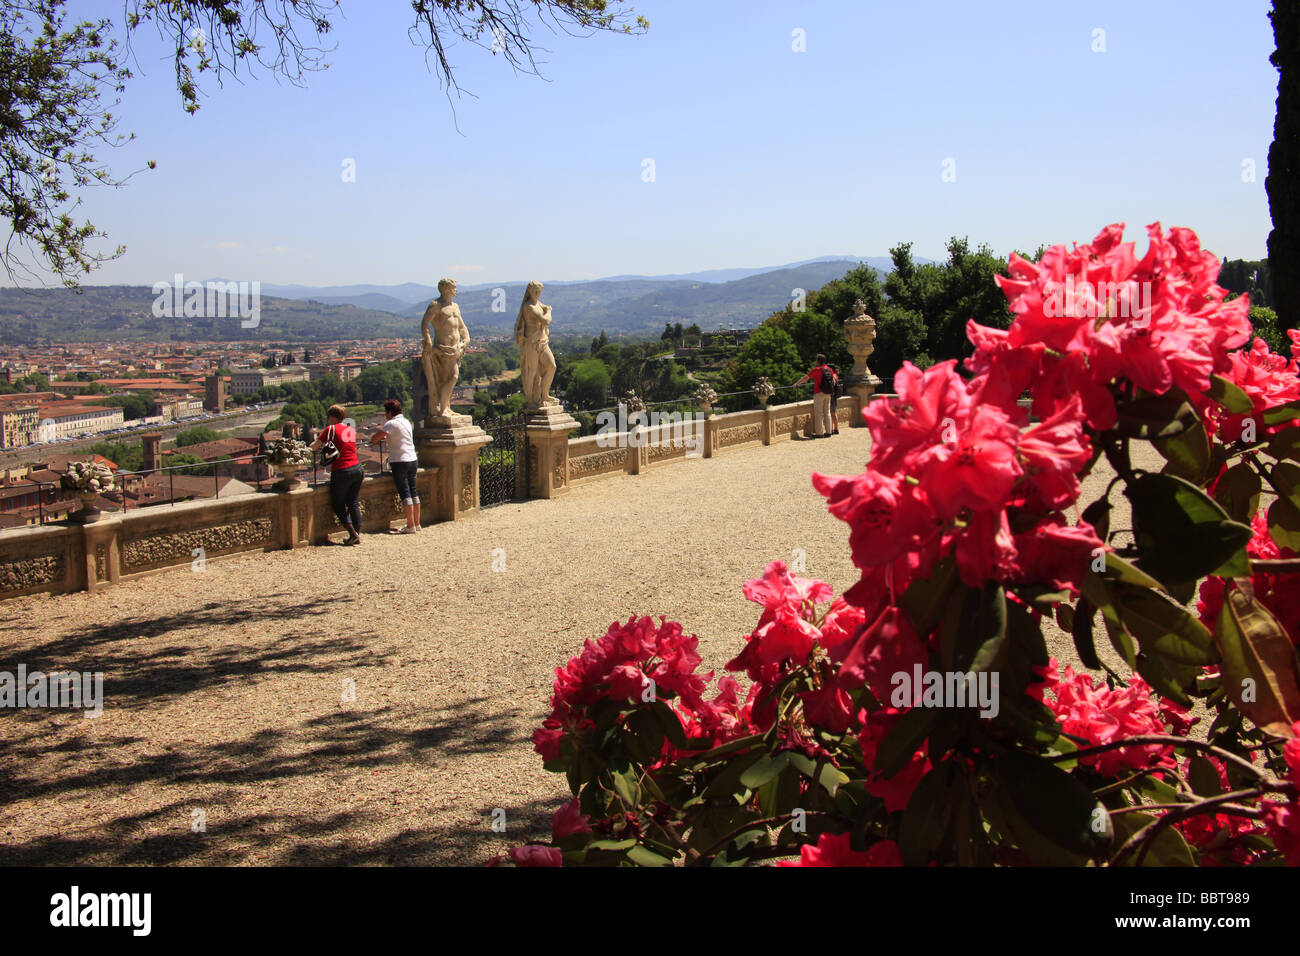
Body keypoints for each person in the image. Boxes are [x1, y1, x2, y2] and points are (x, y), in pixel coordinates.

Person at [311, 404, 363, 545]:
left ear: (332, 417)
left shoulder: (331, 429)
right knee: (353, 502)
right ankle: (356, 534)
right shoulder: (349, 430)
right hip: (357, 468)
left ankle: (353, 534)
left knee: (338, 504)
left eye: (329, 417)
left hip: (342, 470)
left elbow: (315, 446)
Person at [369, 398, 420, 534]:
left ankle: (410, 525)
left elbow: (375, 439)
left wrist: (374, 439)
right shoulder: (406, 422)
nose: (385, 416)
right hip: (413, 458)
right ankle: (416, 523)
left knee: (405, 493)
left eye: (386, 413)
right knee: (414, 491)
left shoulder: (390, 424)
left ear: (390, 413)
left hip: (400, 460)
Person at [793, 354, 835, 438]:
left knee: (819, 413)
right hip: (828, 393)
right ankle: (829, 431)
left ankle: (819, 433)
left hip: (819, 392)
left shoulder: (816, 369)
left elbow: (806, 378)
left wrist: (797, 383)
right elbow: (833, 380)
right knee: (827, 413)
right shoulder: (829, 369)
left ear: (817, 361)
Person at [827, 363, 841, 434]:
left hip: (832, 396)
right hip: (834, 396)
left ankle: (835, 429)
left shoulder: (833, 376)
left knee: (832, 413)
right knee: (833, 413)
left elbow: (832, 386)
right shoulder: (836, 376)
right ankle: (834, 428)